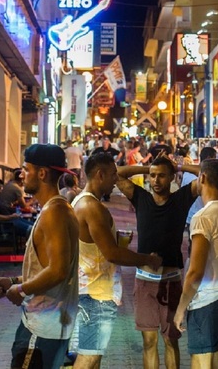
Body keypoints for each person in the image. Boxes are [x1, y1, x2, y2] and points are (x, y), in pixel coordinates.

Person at [0, 144, 79, 369]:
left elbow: (58, 270)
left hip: (42, 327)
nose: (22, 174)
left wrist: (20, 289)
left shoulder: (55, 212)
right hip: (45, 324)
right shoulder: (55, 209)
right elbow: (46, 267)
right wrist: (13, 281)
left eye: (26, 169)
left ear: (42, 173)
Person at [70, 153, 162, 368]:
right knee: (88, 357)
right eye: (112, 175)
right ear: (100, 175)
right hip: (96, 295)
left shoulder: (80, 201)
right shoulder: (92, 207)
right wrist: (147, 259)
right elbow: (112, 254)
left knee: (93, 356)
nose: (116, 179)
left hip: (88, 290)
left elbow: (102, 249)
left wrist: (150, 169)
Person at [116, 157, 201, 369]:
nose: (155, 180)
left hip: (171, 282)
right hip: (144, 282)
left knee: (171, 340)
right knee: (149, 342)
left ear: (172, 177)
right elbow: (117, 173)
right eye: (152, 176)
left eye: (162, 175)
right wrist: (148, 167)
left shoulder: (181, 198)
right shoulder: (140, 197)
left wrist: (178, 166)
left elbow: (206, 174)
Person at [173, 159, 218, 369]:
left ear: (201, 178)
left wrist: (181, 308)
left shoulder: (203, 217)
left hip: (205, 302)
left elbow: (195, 271)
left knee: (201, 362)